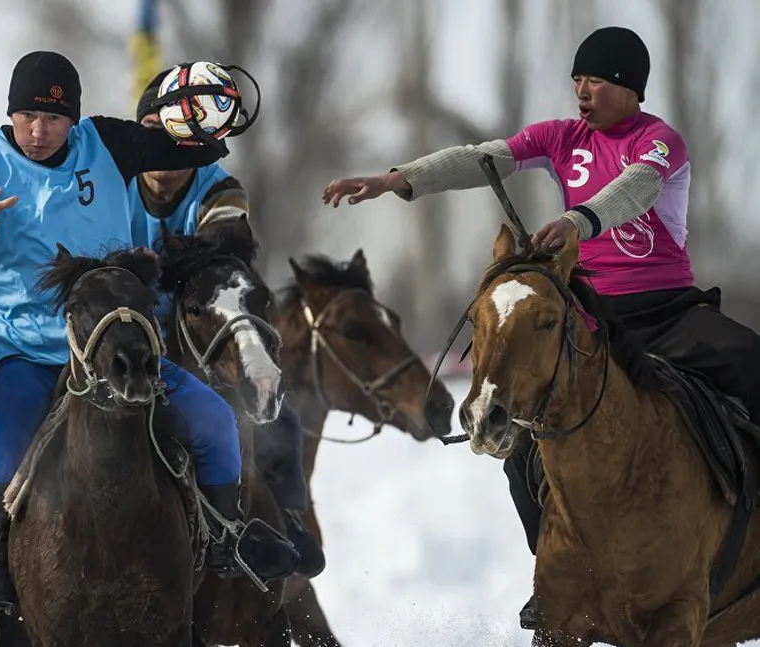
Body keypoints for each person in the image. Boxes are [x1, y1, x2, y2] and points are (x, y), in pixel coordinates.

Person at [322, 25, 760, 629]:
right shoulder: (560, 137)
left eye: (597, 80)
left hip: (670, 313)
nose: (583, 90)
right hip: (593, 321)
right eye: (578, 79)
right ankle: (558, 575)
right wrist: (398, 179)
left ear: (630, 88)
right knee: (520, 442)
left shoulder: (661, 141)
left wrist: (581, 218)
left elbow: (637, 189)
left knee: (753, 369)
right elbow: (482, 159)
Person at [0, 50, 300, 610]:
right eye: (26, 117)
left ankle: (226, 536)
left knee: (213, 420)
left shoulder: (105, 142)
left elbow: (185, 148)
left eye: (54, 119)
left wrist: (203, 115)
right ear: (9, 113)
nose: (38, 131)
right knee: (8, 444)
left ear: (75, 118)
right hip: (30, 350)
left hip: (118, 340)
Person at [130, 69, 325, 578]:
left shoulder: (224, 190)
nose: (161, 148)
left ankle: (286, 516)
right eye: (150, 130)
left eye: (174, 136)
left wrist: (135, 262)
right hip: (122, 328)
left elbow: (210, 261)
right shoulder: (111, 181)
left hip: (198, 330)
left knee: (277, 413)